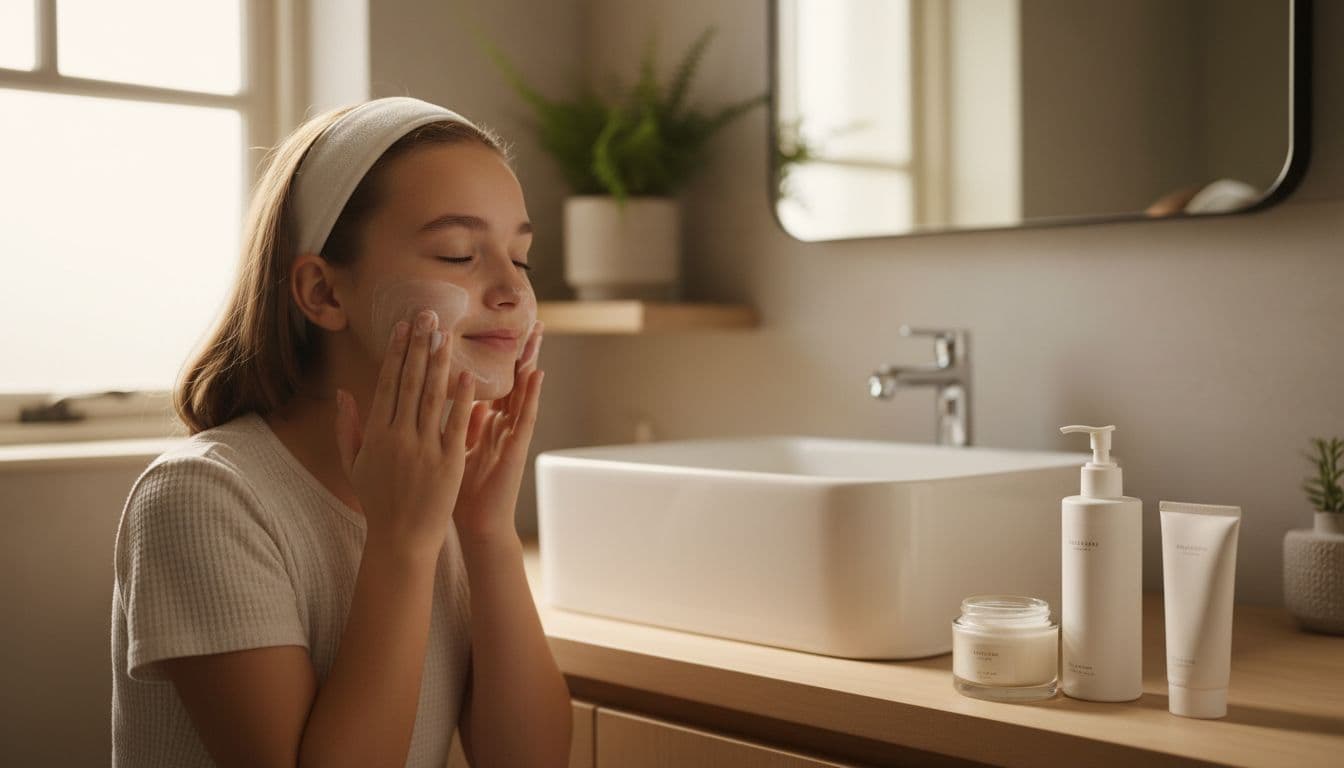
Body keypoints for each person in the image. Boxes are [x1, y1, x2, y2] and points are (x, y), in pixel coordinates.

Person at [110, 96, 571, 767]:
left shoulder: (431, 486)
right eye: (458, 253)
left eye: (521, 257)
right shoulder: (202, 499)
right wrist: (403, 540)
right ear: (323, 292)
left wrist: (486, 529)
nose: (512, 291)